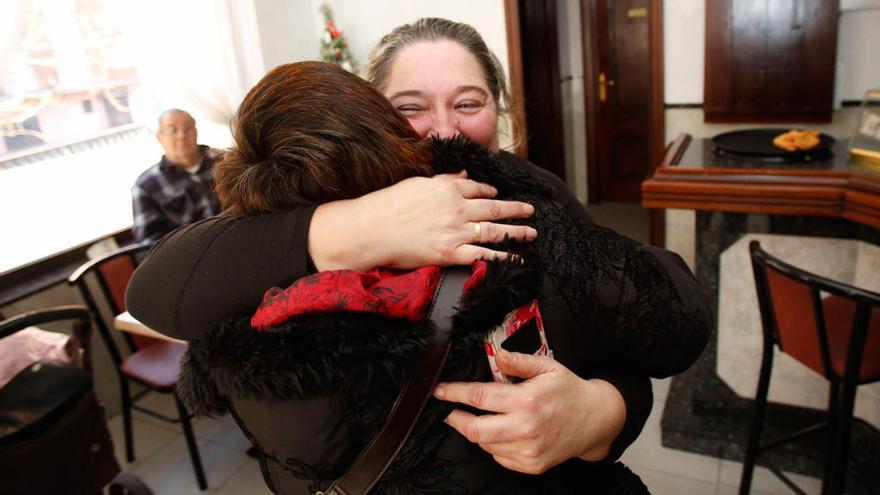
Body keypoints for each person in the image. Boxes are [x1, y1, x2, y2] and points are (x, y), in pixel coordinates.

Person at [127, 17, 709, 479]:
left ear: (501, 112)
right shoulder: (317, 196)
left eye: (469, 102)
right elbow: (156, 291)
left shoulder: (534, 198)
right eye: (410, 107)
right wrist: (355, 226)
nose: (444, 130)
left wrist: (600, 416)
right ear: (372, 116)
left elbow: (633, 342)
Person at [130, 109, 221, 242]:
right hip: (191, 256)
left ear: (196, 131)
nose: (182, 135)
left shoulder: (225, 162)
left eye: (187, 128)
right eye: (172, 130)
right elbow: (149, 245)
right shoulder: (146, 186)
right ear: (159, 137)